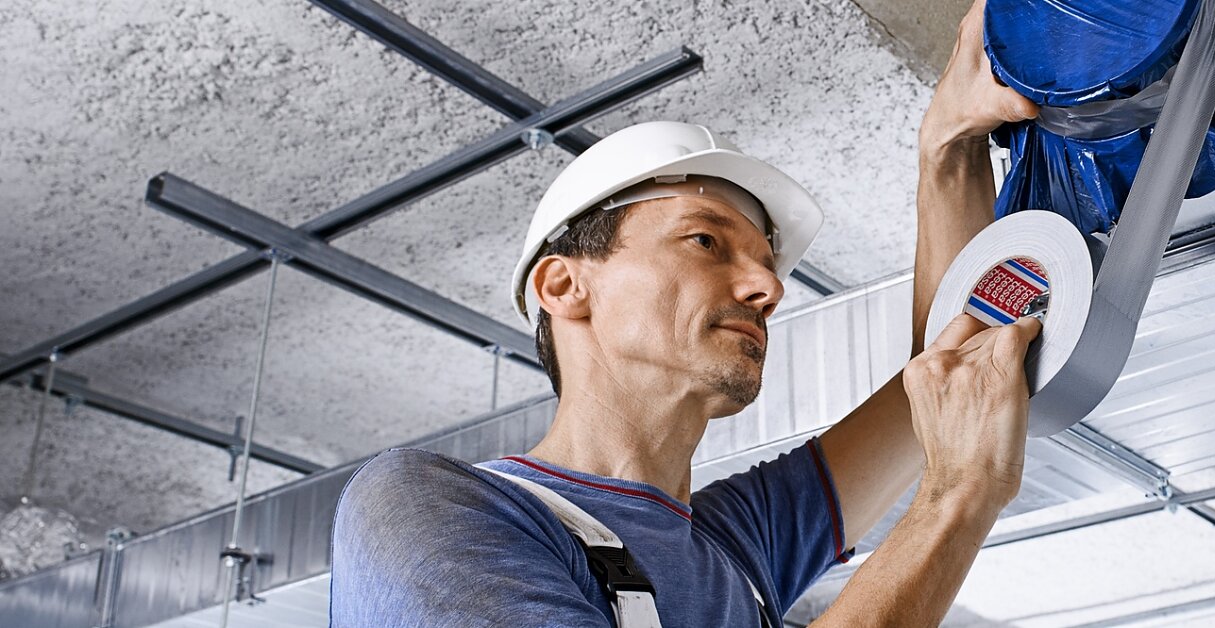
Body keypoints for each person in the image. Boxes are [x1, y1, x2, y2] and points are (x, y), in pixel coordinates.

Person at [328, 2, 1044, 625]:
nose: (767, 285)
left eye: (765, 260)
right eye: (705, 240)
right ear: (563, 286)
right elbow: (947, 441)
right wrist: (956, 499)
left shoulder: (737, 545)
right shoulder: (428, 510)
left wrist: (947, 149)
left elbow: (942, 382)